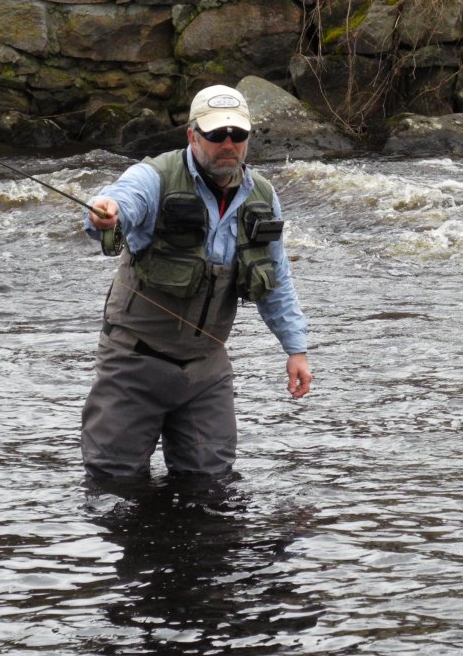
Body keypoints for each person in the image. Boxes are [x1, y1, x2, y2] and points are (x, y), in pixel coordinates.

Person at [82, 84, 312, 480]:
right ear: (192, 135)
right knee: (114, 486)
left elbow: (276, 279)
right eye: (217, 134)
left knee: (211, 485)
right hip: (134, 364)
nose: (229, 144)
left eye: (238, 134)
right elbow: (121, 200)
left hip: (207, 372)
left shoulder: (262, 196)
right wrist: (107, 213)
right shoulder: (154, 177)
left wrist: (296, 349)